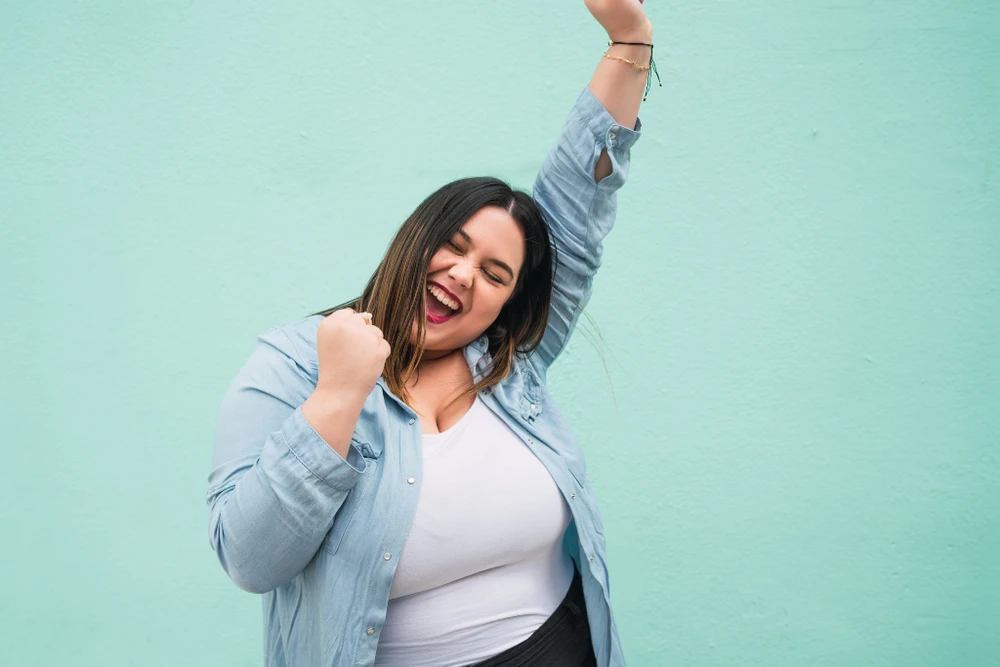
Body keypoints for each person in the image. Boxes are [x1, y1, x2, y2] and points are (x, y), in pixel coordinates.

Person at [206, 1, 655, 665]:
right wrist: (336, 398)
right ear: (414, 238)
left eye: (496, 273)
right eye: (453, 244)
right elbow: (249, 557)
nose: (465, 274)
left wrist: (631, 40)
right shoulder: (294, 363)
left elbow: (576, 210)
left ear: (508, 302)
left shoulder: (513, 360)